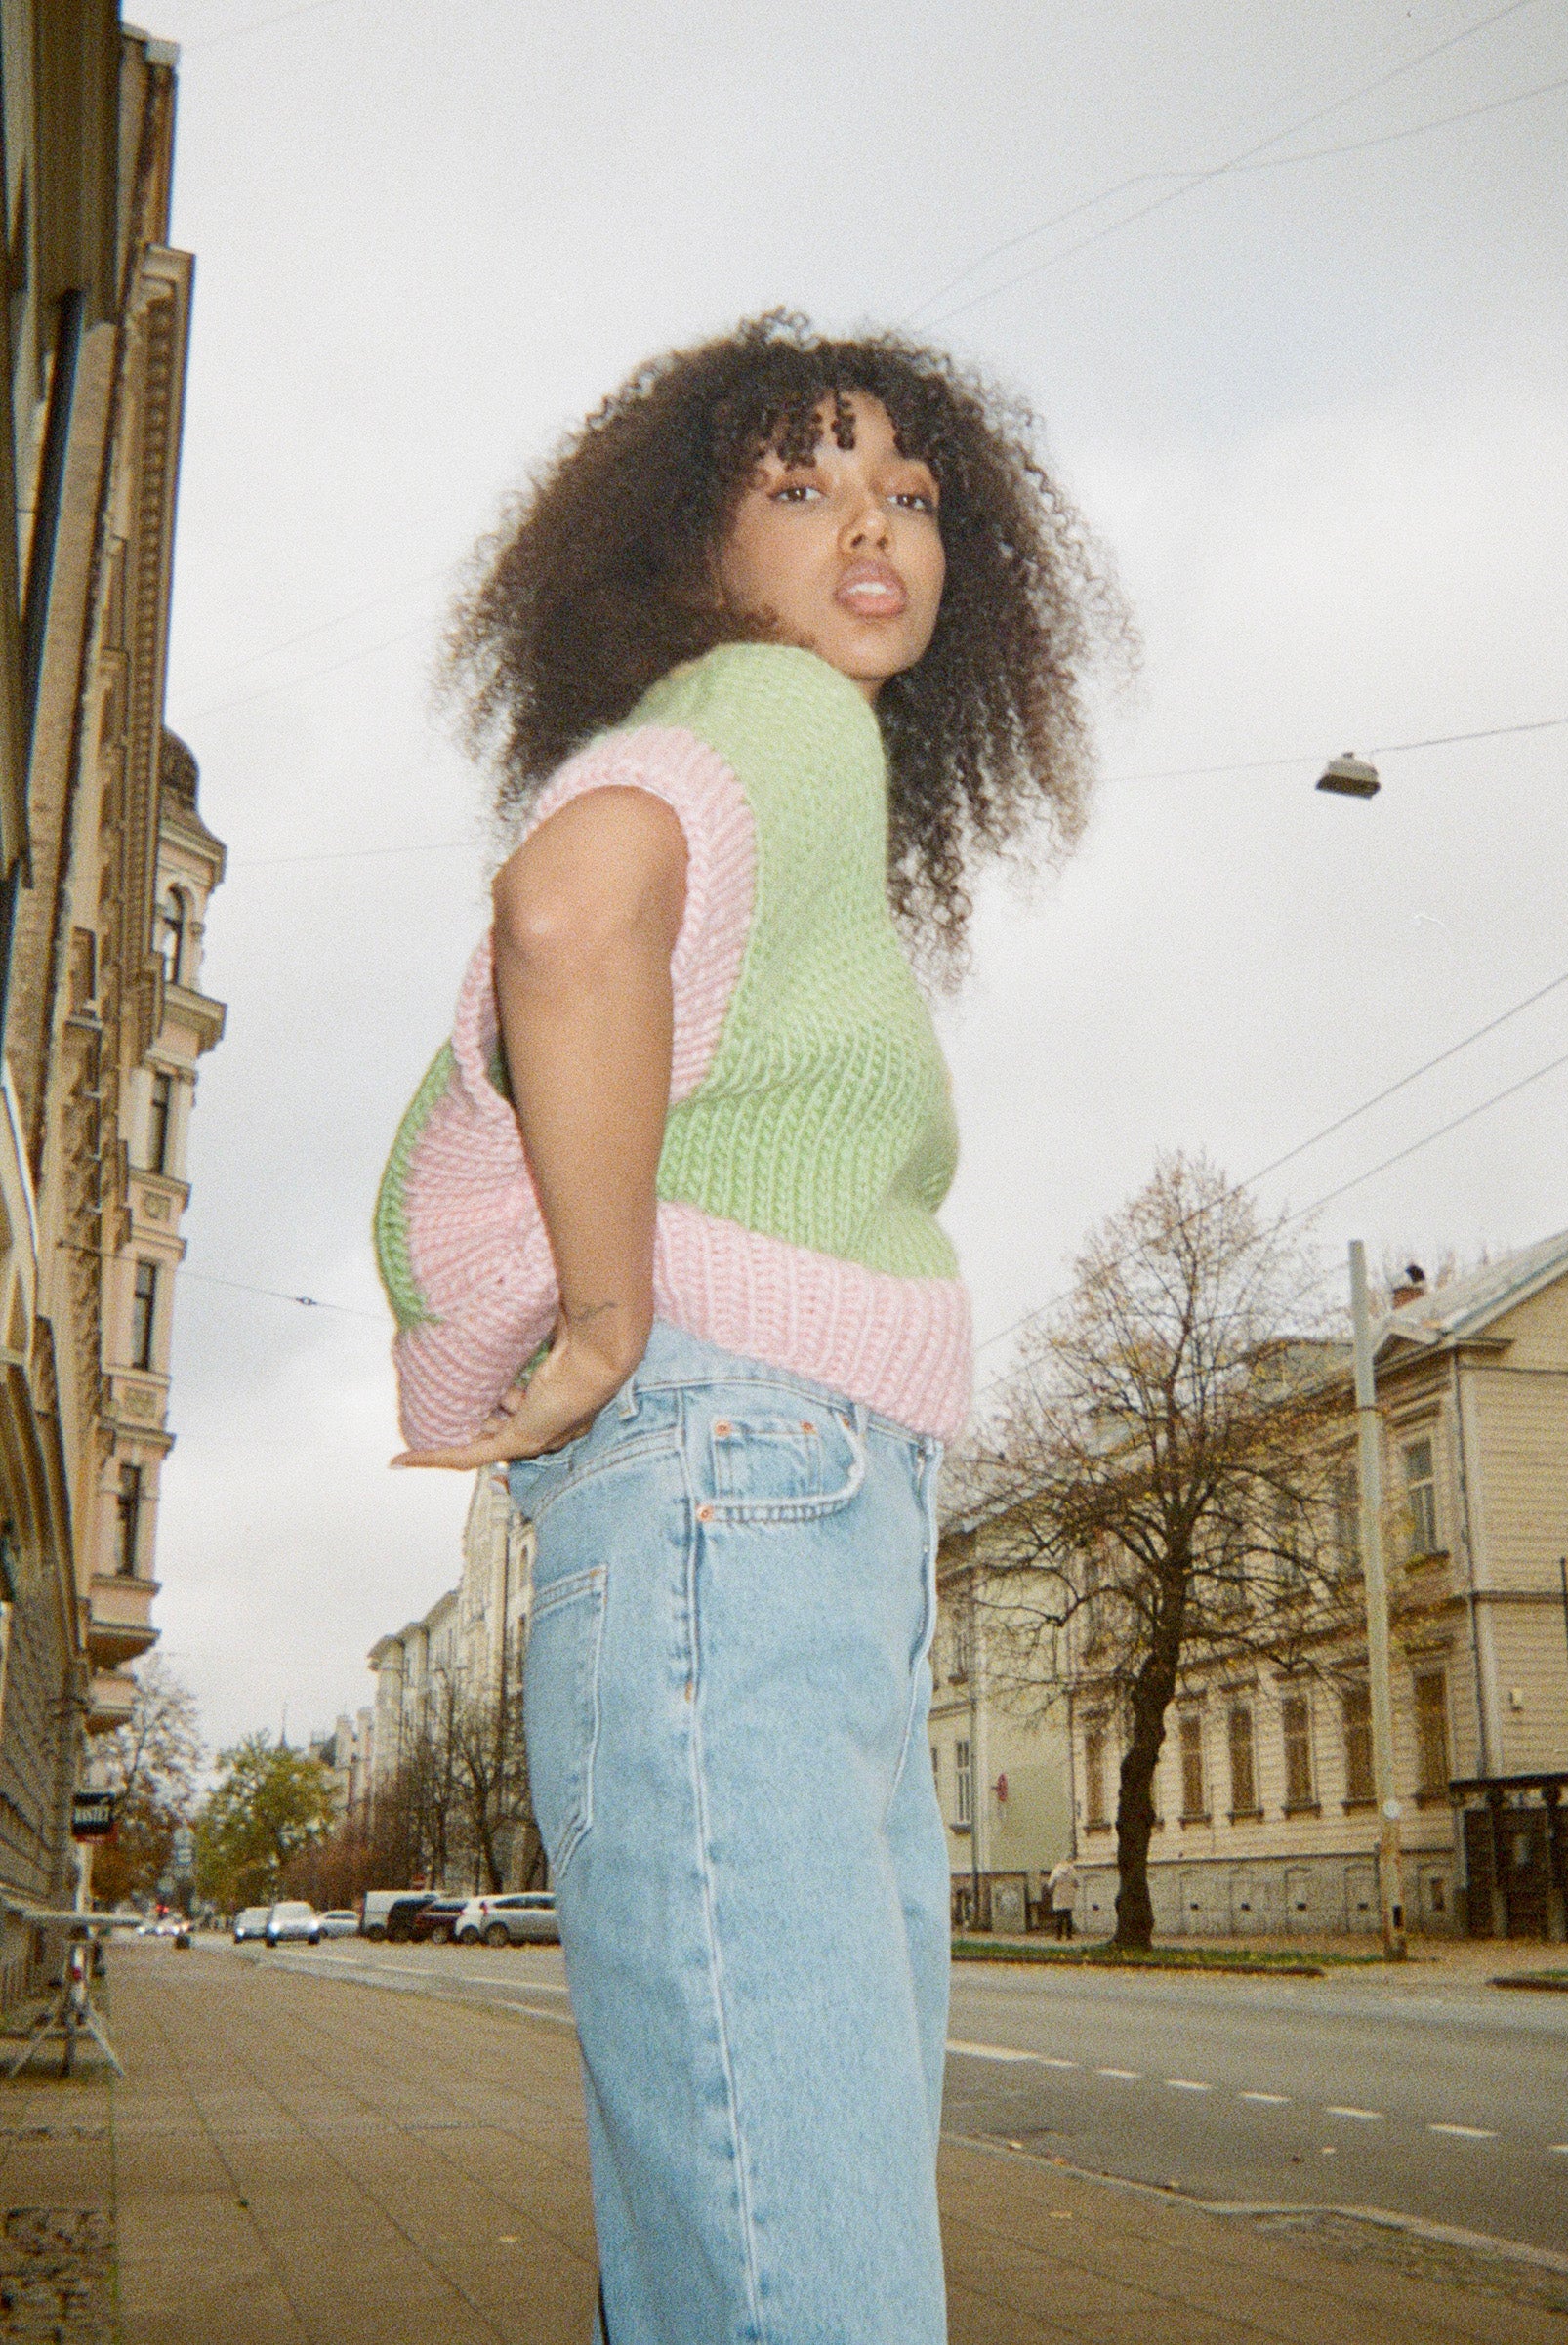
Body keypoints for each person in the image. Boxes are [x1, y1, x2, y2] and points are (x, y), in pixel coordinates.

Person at [375, 312, 1129, 2345]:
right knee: (812, 2255)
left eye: (909, 492)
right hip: (747, 1485)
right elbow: (566, 913)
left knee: (748, 2227)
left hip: (779, 1503)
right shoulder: (774, 716)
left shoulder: (811, 759)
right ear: (685, 548)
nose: (871, 524)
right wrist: (613, 1311)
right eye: (799, 484)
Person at [1046, 1855, 1080, 1941]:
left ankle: (1059, 1935)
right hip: (1069, 1895)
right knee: (1068, 1916)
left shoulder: (1056, 1871)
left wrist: (1051, 1890)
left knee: (1059, 1916)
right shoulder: (1072, 1870)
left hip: (1059, 1895)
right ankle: (1069, 1936)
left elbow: (1050, 1885)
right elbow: (1076, 1883)